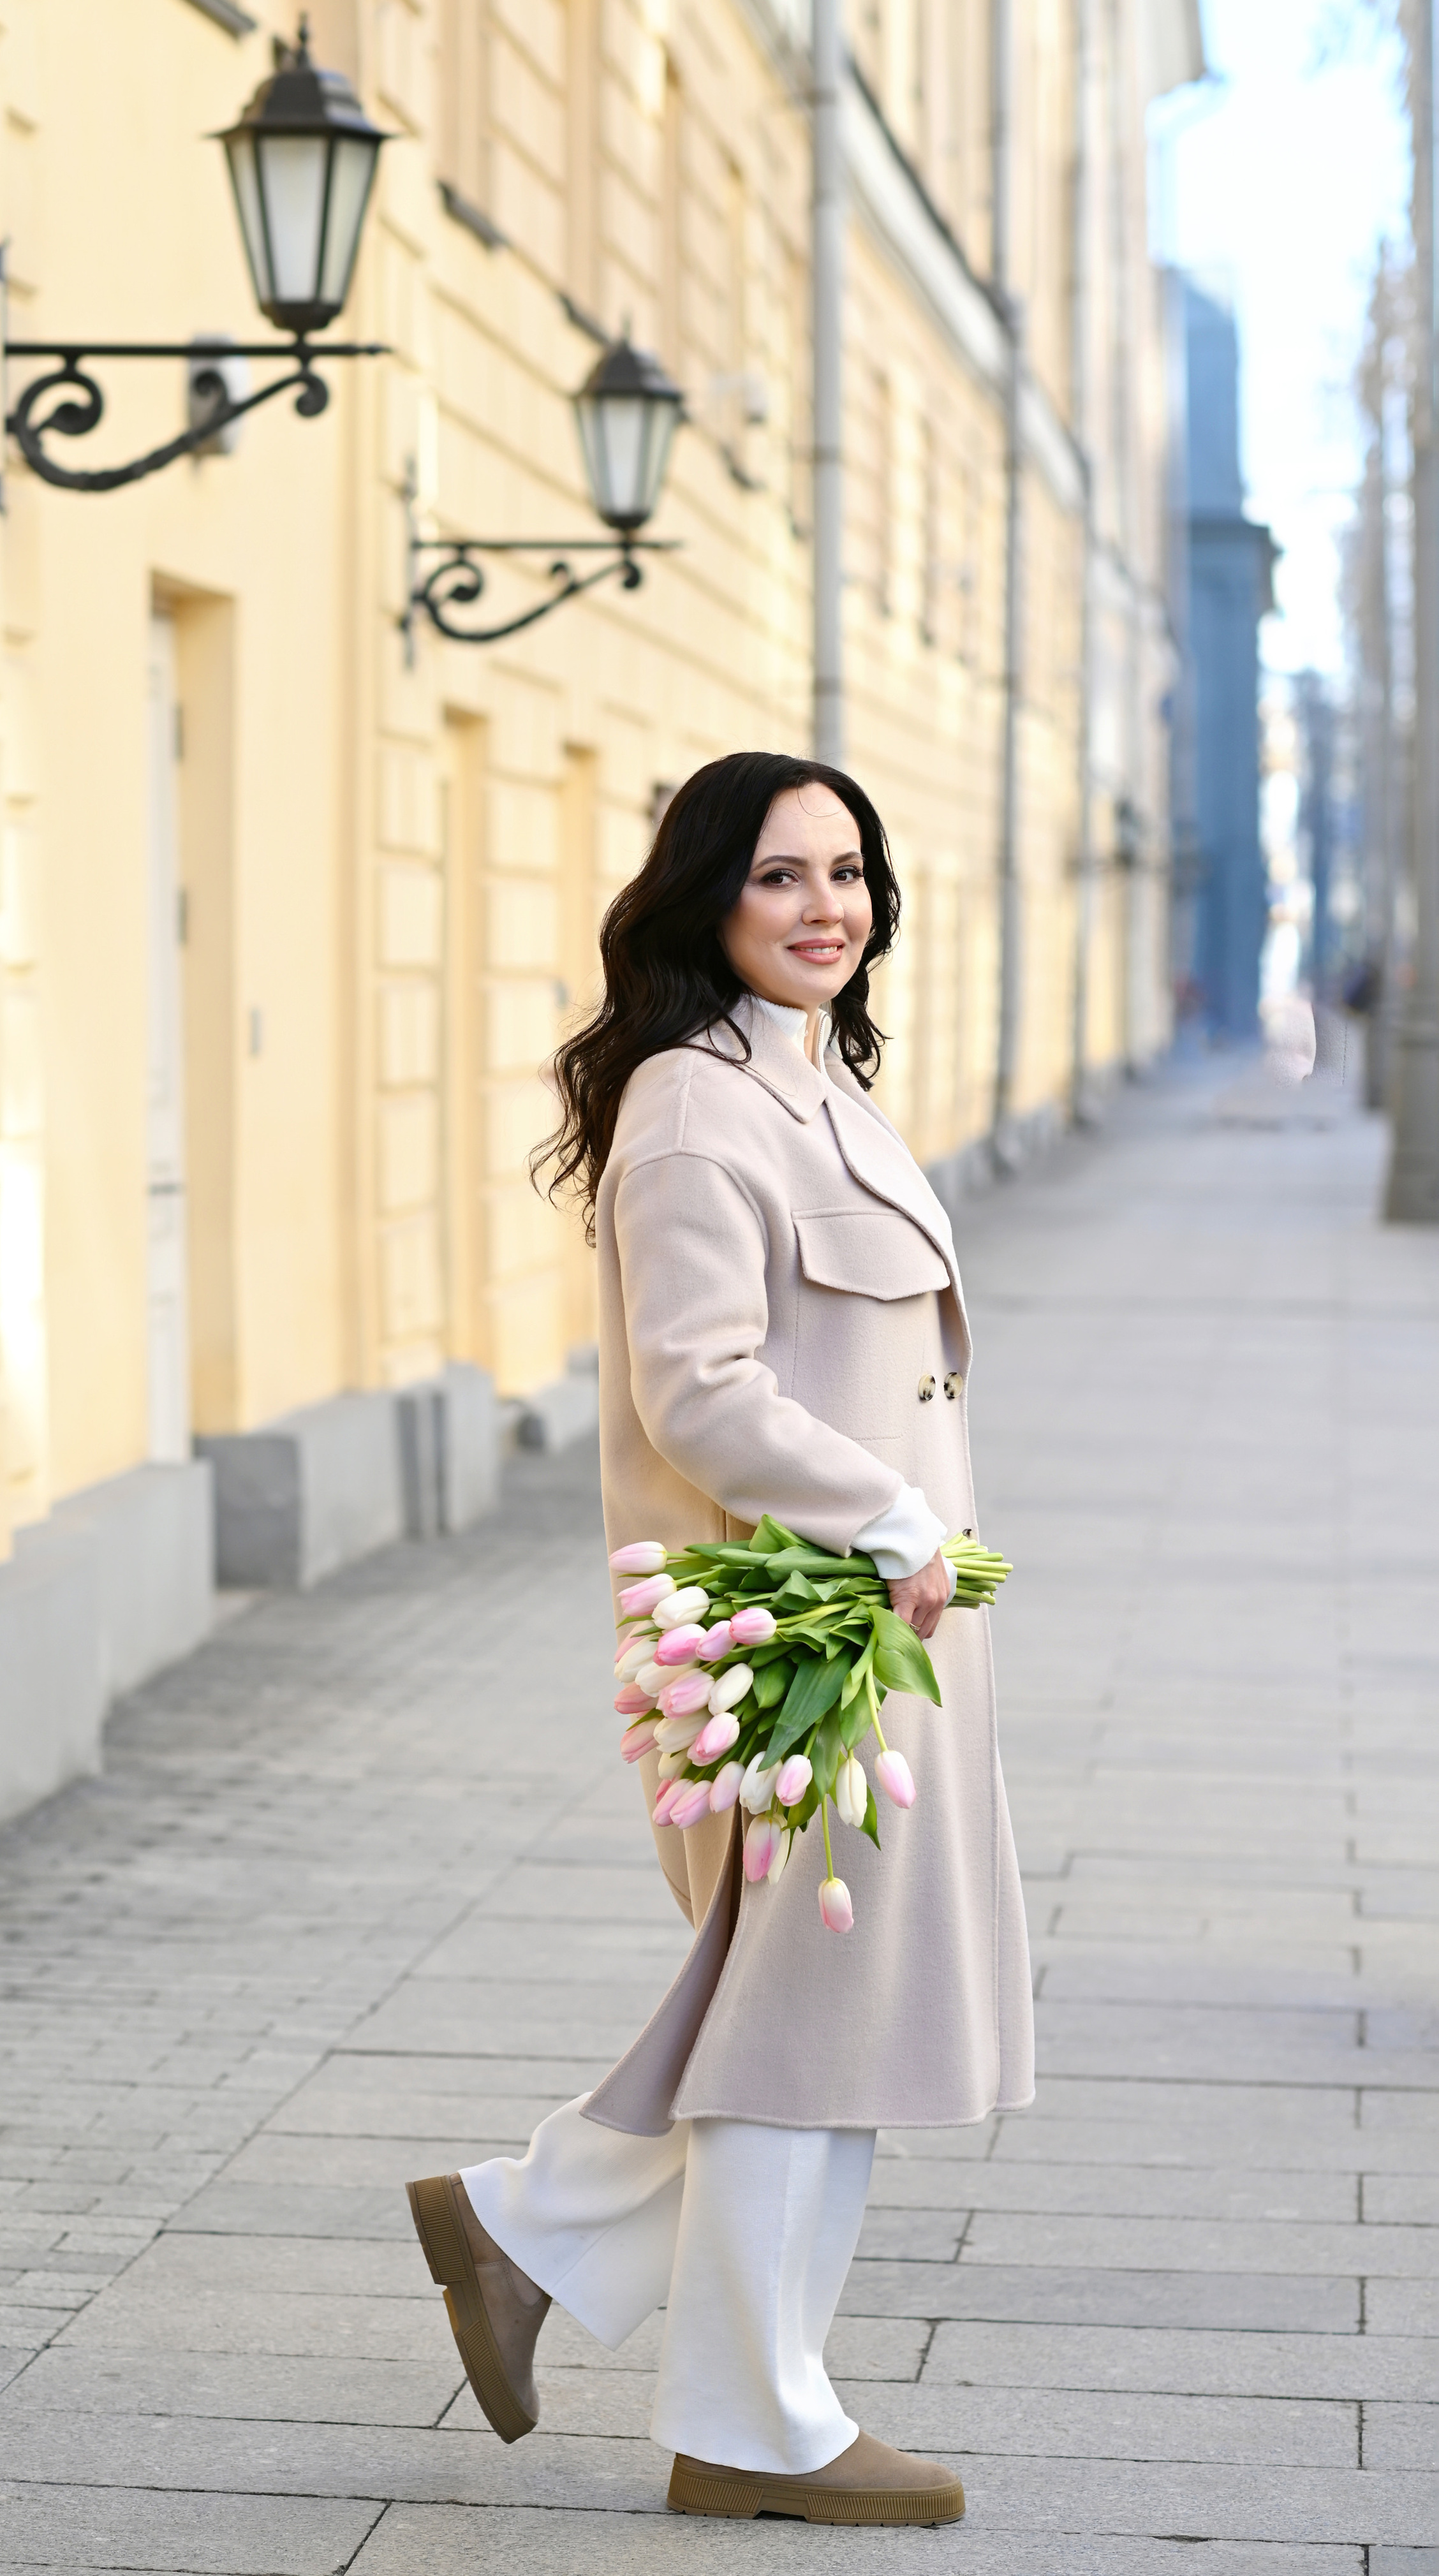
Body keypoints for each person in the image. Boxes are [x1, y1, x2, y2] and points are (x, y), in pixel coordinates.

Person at [406, 751, 1033, 2524]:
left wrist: (926, 1555)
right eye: (781, 875)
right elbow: (698, 1388)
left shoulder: (814, 1083)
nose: (829, 906)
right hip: (784, 1638)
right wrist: (892, 1521)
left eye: (849, 872)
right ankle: (747, 2419)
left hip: (887, 1634)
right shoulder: (695, 1104)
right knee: (804, 2023)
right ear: (709, 896)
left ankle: (535, 2232)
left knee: (815, 2013)